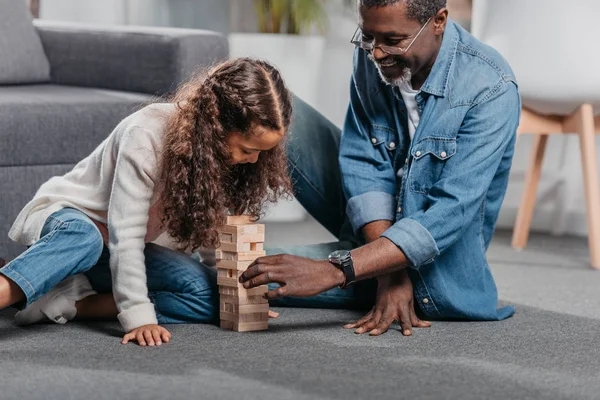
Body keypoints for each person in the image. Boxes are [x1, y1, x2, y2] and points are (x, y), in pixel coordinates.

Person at [240, 0, 521, 336]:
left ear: (439, 21)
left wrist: (337, 270)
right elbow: (364, 162)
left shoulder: (491, 88)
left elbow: (449, 214)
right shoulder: (377, 50)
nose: (376, 53)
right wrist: (388, 275)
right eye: (368, 37)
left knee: (243, 271)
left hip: (429, 269)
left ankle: (177, 282)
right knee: (269, 106)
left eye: (392, 40)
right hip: (374, 233)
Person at [0, 58, 293, 346]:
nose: (253, 160)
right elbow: (124, 234)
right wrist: (139, 317)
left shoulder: (220, 156)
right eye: (247, 149)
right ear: (217, 127)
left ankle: (69, 302)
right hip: (72, 227)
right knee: (86, 237)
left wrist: (230, 291)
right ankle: (15, 284)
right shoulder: (146, 135)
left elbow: (209, 227)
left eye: (261, 153)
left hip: (118, 255)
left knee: (208, 298)